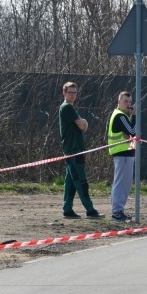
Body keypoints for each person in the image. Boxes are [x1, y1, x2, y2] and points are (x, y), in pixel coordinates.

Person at [59, 82, 104, 219]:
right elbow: (81, 124)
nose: (73, 95)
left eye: (75, 92)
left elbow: (84, 127)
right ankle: (90, 210)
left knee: (71, 182)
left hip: (74, 149)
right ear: (64, 93)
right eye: (70, 92)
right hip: (73, 150)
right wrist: (83, 122)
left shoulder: (70, 108)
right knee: (80, 181)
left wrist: (83, 123)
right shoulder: (66, 107)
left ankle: (67, 209)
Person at [107, 91, 137, 221]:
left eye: (130, 102)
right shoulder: (120, 116)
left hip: (126, 153)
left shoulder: (123, 116)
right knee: (121, 183)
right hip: (122, 153)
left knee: (125, 184)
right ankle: (117, 211)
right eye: (125, 101)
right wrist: (135, 116)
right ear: (119, 102)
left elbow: (130, 133)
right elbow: (133, 132)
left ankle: (119, 210)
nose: (128, 104)